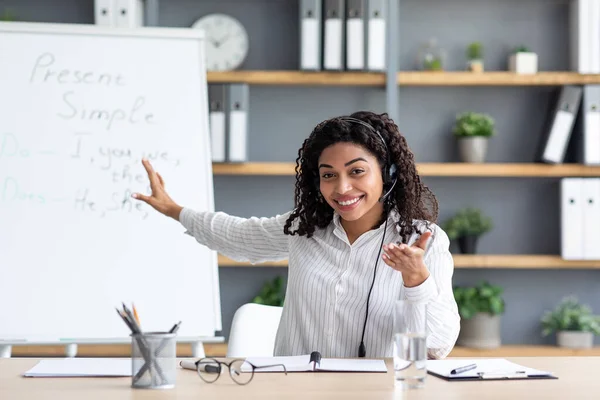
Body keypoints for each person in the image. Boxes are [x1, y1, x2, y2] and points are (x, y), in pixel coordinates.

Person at [132, 110, 460, 359]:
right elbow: (237, 236)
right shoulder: (305, 227)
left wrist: (416, 279)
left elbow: (438, 347)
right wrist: (176, 210)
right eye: (328, 175)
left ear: (388, 174)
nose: (342, 188)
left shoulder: (423, 240)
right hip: (297, 388)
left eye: (357, 171)